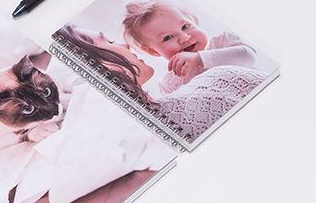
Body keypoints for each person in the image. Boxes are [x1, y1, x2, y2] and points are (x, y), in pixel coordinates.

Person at [57, 24, 265, 142]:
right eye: (109, 42)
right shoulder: (219, 81)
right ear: (99, 66)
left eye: (186, 25)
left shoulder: (217, 76)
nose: (125, 45)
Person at [121, 0, 258, 95]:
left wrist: (199, 59)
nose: (184, 37)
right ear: (153, 51)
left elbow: (249, 56)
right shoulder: (170, 85)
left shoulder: (222, 42)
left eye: (185, 26)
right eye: (168, 37)